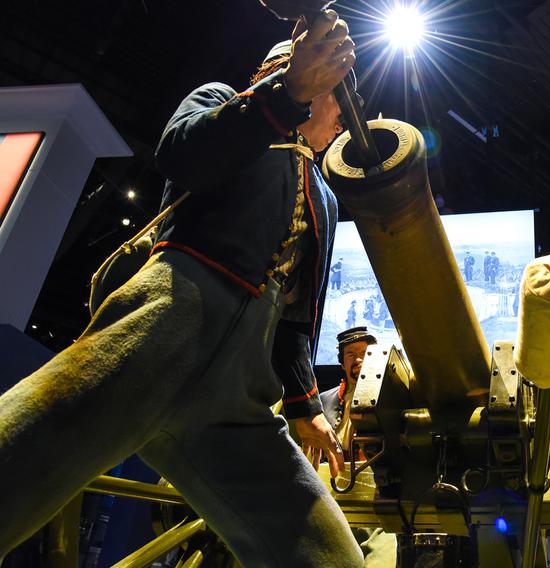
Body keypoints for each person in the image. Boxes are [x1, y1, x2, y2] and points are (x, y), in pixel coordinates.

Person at [0, 13, 363, 567]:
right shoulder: (225, 101)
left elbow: (297, 320)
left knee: (326, 556)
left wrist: (305, 404)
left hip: (239, 393)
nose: (341, 114)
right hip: (160, 329)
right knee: (14, 458)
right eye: (337, 93)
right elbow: (182, 156)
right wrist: (285, 94)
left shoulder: (326, 198)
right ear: (288, 67)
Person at [315, 326, 398, 566]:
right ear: (342, 362)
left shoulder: (390, 398)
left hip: (376, 484)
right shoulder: (325, 400)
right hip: (333, 485)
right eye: (351, 354)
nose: (359, 359)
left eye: (365, 352)